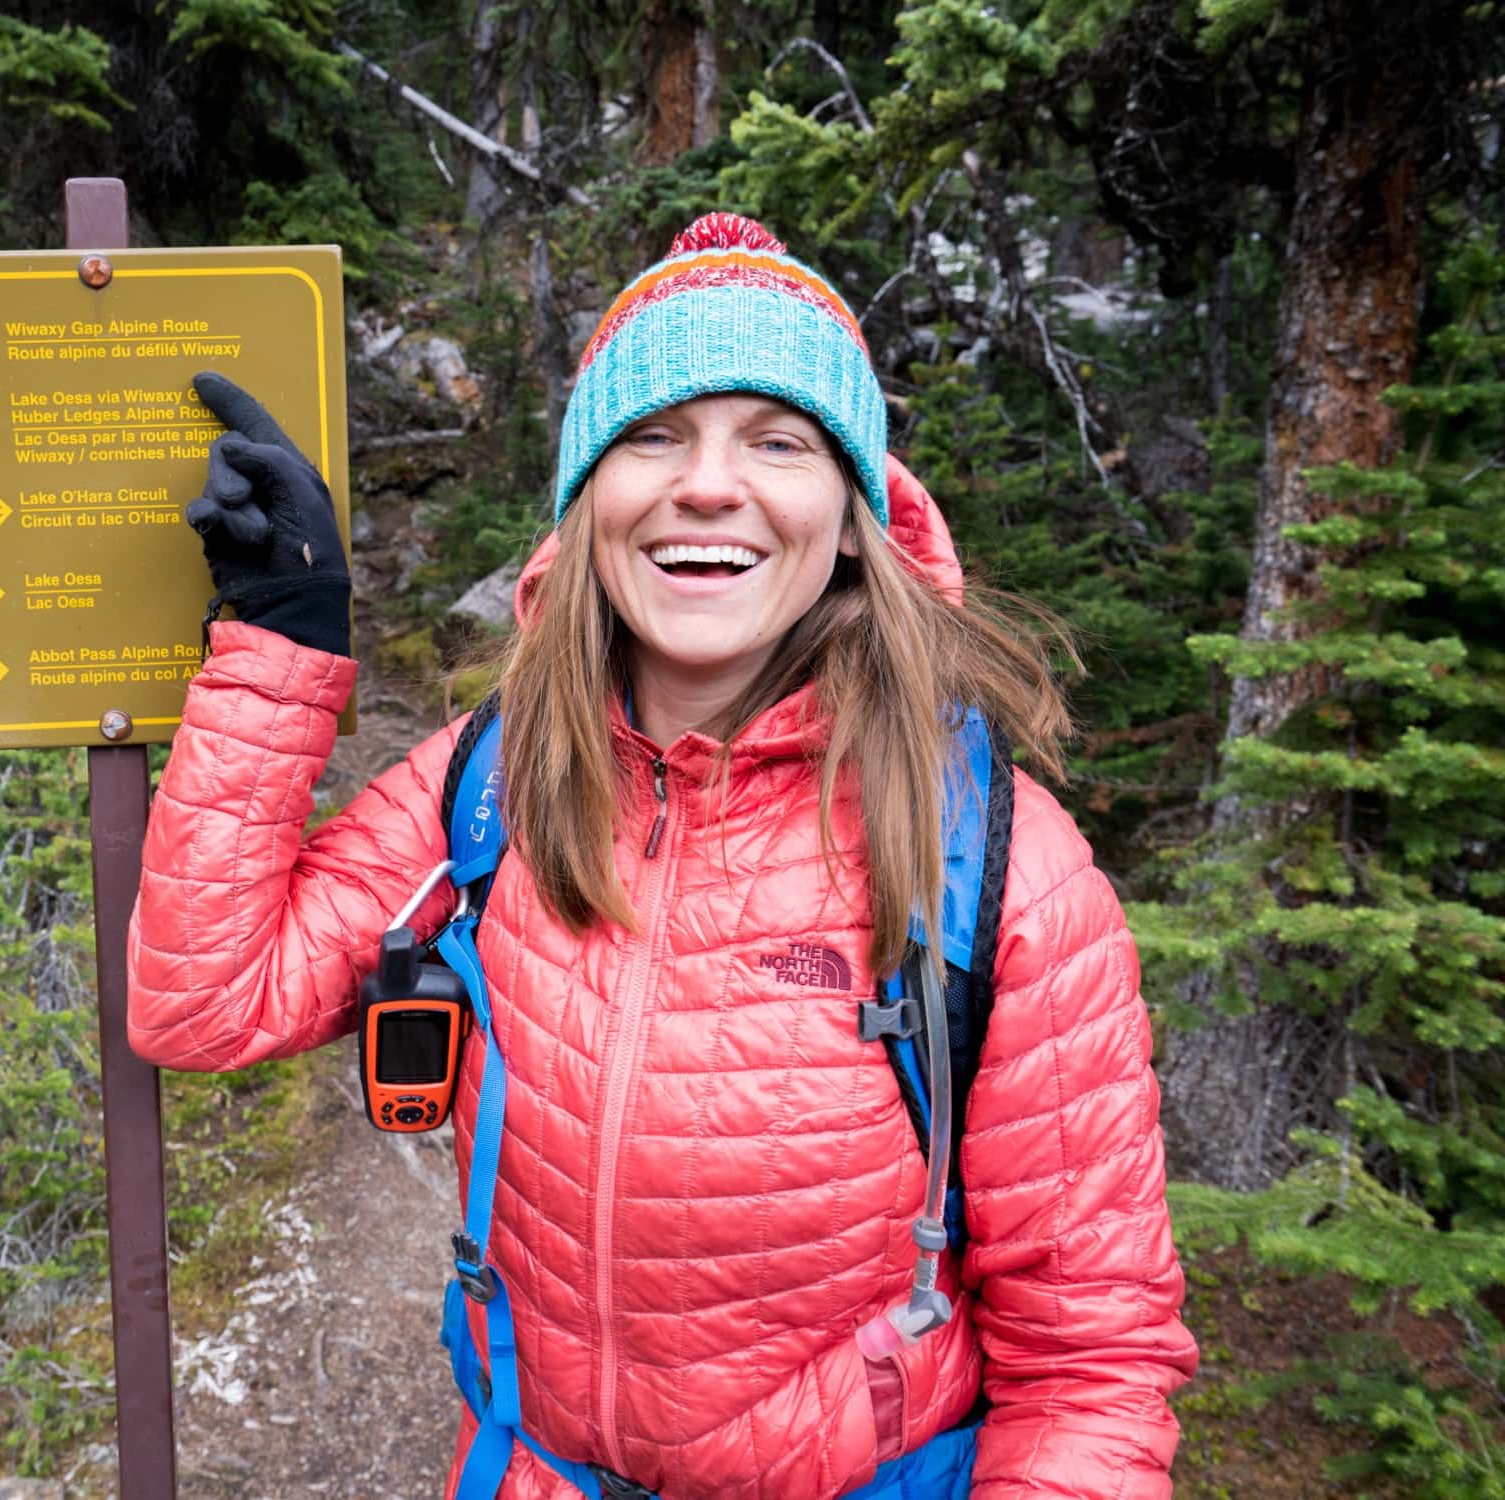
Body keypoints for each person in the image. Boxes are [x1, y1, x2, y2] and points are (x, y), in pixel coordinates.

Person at [128, 213, 1198, 1500]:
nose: (704, 485)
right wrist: (284, 641)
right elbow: (202, 1001)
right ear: (588, 506)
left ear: (857, 517)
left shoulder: (997, 866)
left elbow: (1088, 1370)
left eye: (777, 442)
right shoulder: (491, 781)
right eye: (651, 435)